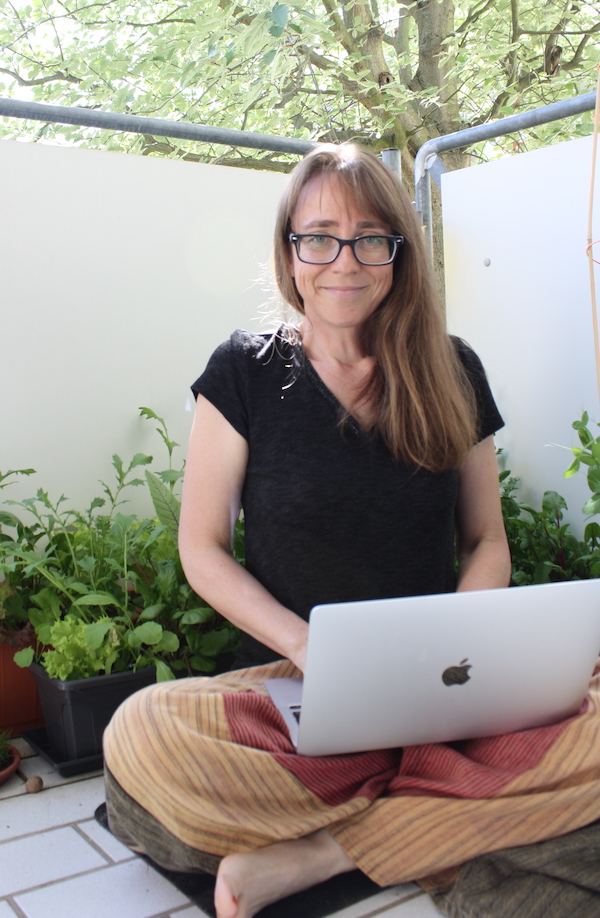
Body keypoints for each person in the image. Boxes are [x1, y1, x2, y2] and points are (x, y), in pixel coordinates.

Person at [103, 144, 600, 918]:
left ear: (398, 254)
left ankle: (329, 851)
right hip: (291, 696)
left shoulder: (453, 370)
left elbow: (486, 541)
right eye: (320, 238)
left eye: (370, 239)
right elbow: (201, 548)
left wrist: (458, 644)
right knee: (142, 737)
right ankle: (457, 805)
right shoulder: (244, 371)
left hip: (443, 687)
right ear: (289, 253)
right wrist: (308, 648)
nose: (345, 261)